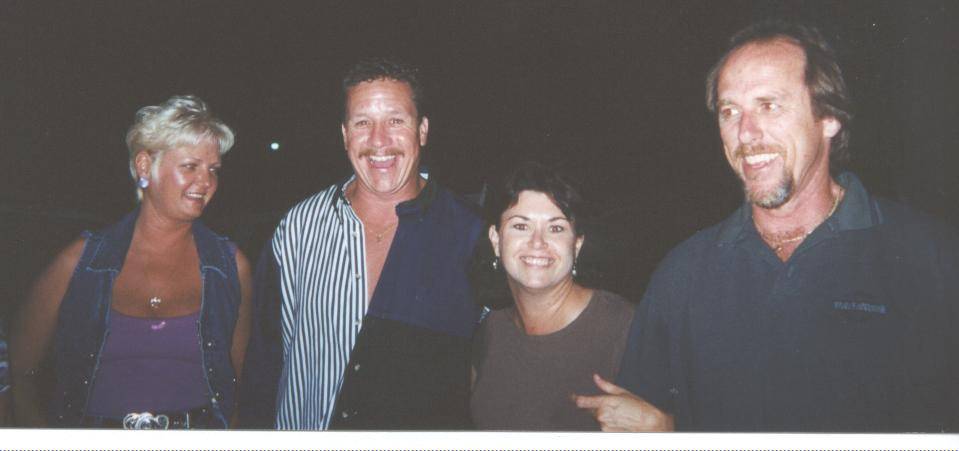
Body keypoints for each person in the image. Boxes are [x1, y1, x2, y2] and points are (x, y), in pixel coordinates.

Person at [577, 20, 959, 432]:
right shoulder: (683, 274)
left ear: (829, 117)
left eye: (769, 105)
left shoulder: (927, 257)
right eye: (730, 111)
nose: (745, 133)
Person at [239, 58, 485, 430]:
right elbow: (264, 359)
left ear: (422, 130)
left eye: (396, 121)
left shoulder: (470, 234)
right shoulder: (298, 227)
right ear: (344, 135)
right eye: (362, 122)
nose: (378, 140)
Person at [10, 95, 252, 429]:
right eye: (190, 166)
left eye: (213, 170)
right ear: (144, 166)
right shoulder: (82, 261)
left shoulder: (229, 266)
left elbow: (242, 386)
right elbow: (19, 370)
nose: (206, 181)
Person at [469, 163, 634, 431]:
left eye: (556, 228)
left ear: (576, 244)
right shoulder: (489, 331)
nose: (538, 242)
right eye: (521, 226)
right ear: (496, 240)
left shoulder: (624, 328)